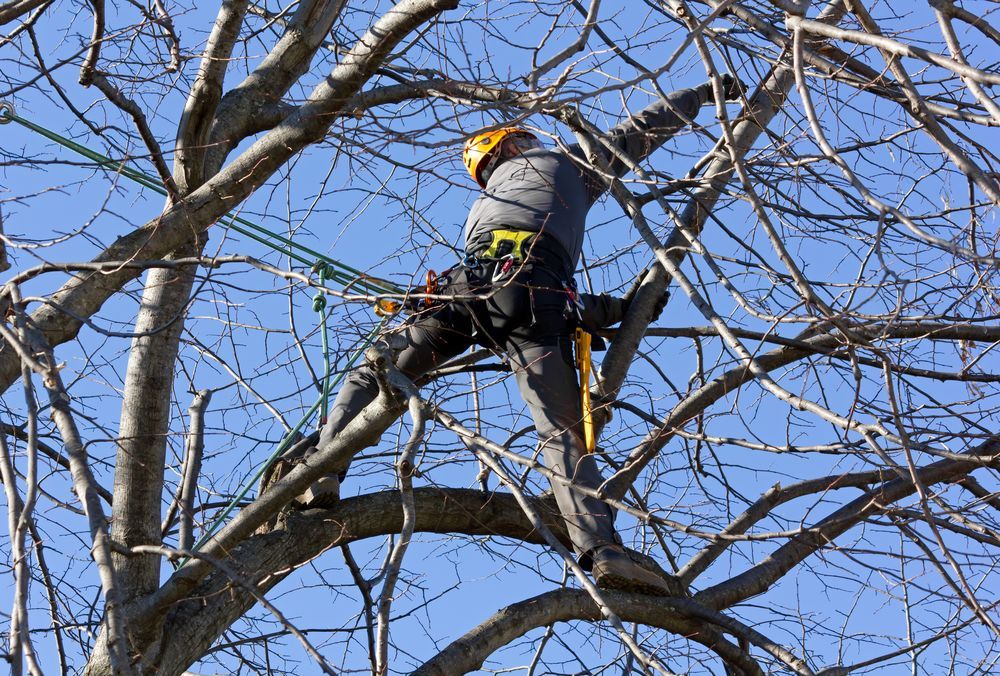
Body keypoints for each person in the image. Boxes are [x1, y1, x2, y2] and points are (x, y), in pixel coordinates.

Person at [268, 75, 746, 595]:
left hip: (460, 295)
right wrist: (701, 94)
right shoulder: (566, 165)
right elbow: (643, 129)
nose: (534, 143)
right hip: (536, 302)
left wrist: (615, 308)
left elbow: (514, 277)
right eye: (526, 139)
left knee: (373, 370)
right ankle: (603, 551)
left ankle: (326, 465)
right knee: (563, 436)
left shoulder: (482, 209)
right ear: (512, 145)